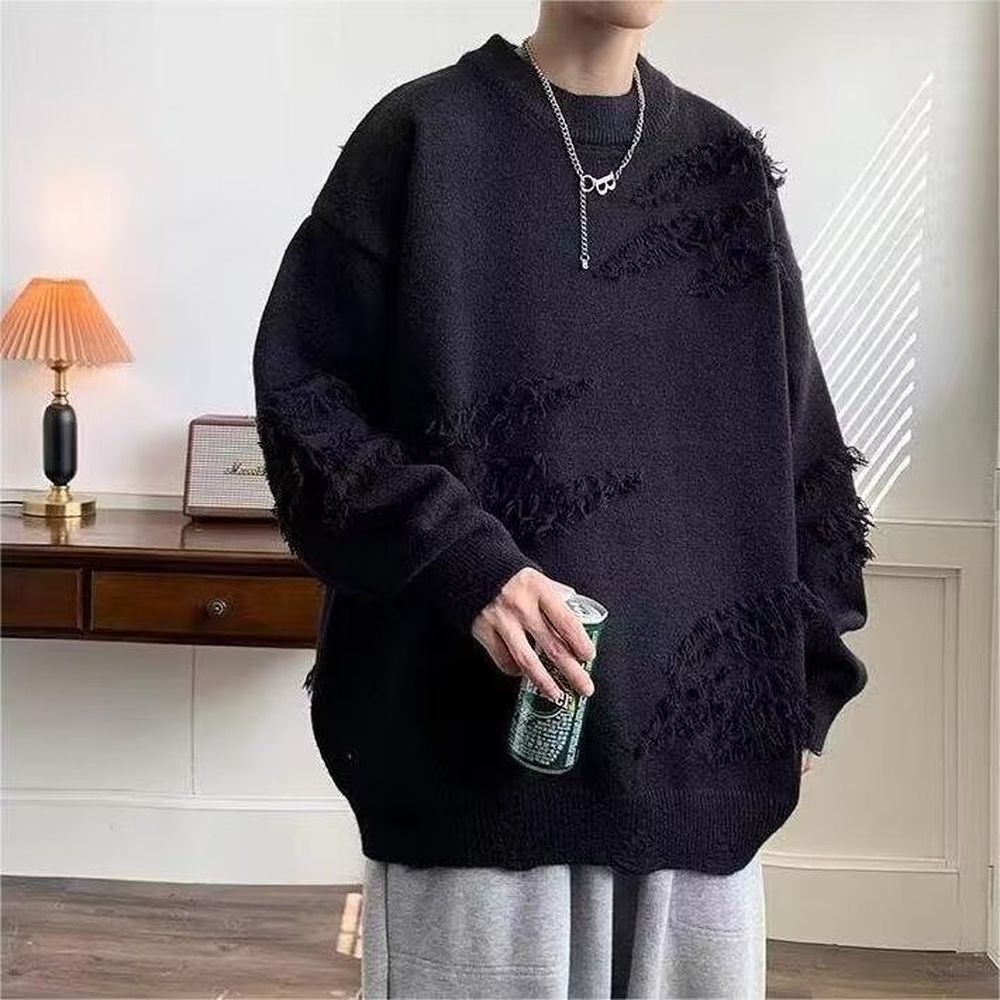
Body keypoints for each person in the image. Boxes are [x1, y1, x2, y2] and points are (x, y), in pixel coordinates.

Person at [252, 2, 874, 997]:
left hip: (696, 775)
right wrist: (465, 565)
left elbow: (801, 451)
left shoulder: (722, 168)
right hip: (465, 763)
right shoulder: (422, 138)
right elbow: (305, 407)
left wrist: (802, 686)